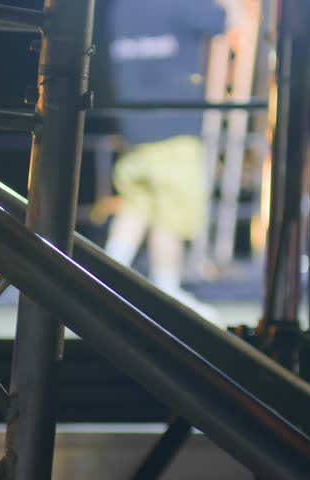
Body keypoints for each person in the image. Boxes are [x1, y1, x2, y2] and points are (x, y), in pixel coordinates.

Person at [98, 0, 245, 318]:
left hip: (133, 124)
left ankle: (102, 278)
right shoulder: (178, 3)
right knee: (170, 210)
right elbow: (229, 19)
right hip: (175, 126)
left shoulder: (121, 8)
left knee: (138, 204)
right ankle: (166, 289)